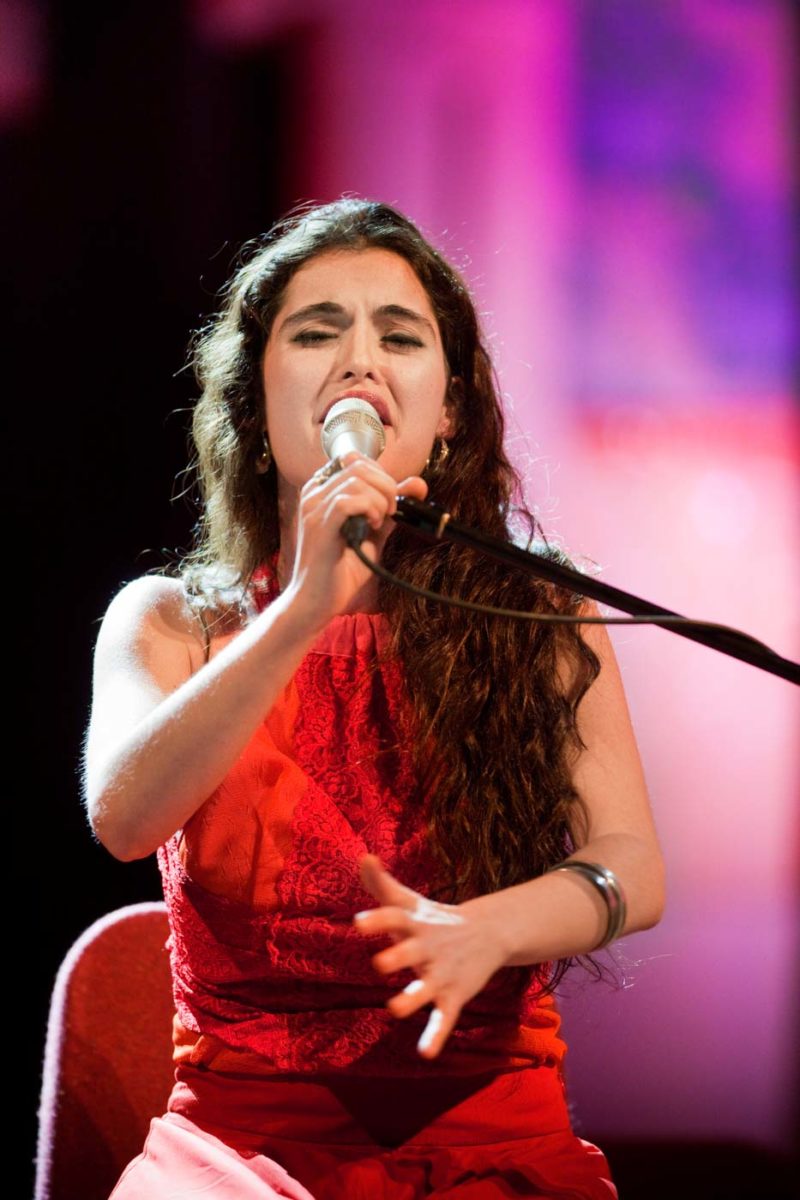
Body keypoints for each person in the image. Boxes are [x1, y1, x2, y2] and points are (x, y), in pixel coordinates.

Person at [85, 198, 665, 1199]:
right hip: (240, 1150)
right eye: (316, 333)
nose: (358, 360)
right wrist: (304, 607)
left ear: (445, 414)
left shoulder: (539, 610)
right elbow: (125, 817)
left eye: (397, 337)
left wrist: (492, 928)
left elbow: (631, 869)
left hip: (493, 1138)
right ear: (255, 411)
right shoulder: (168, 622)